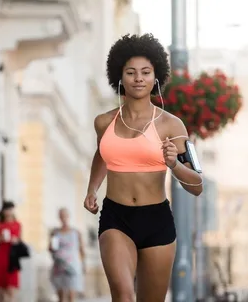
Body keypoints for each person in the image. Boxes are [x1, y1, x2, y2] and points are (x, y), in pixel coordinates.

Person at [84, 33, 203, 302]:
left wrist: (174, 164)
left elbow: (197, 185)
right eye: (131, 72)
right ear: (120, 78)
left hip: (157, 221)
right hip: (116, 218)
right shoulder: (104, 122)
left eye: (146, 72)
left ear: (155, 77)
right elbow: (103, 154)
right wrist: (92, 188)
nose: (139, 78)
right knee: (124, 296)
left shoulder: (172, 126)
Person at [49, 208, 86, 302]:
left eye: (65, 215)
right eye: (61, 216)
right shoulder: (55, 232)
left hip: (72, 266)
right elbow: (50, 248)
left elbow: (81, 250)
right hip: (59, 266)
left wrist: (83, 264)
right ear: (59, 217)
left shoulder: (76, 232)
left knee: (71, 295)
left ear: (68, 216)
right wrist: (52, 247)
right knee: (61, 296)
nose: (63, 218)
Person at [0, 201, 22, 302]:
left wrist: (16, 240)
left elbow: (20, 242)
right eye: (6, 209)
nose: (8, 212)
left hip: (12, 258)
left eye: (10, 209)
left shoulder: (17, 225)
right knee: (1, 290)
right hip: (1, 257)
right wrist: (0, 238)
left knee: (11, 288)